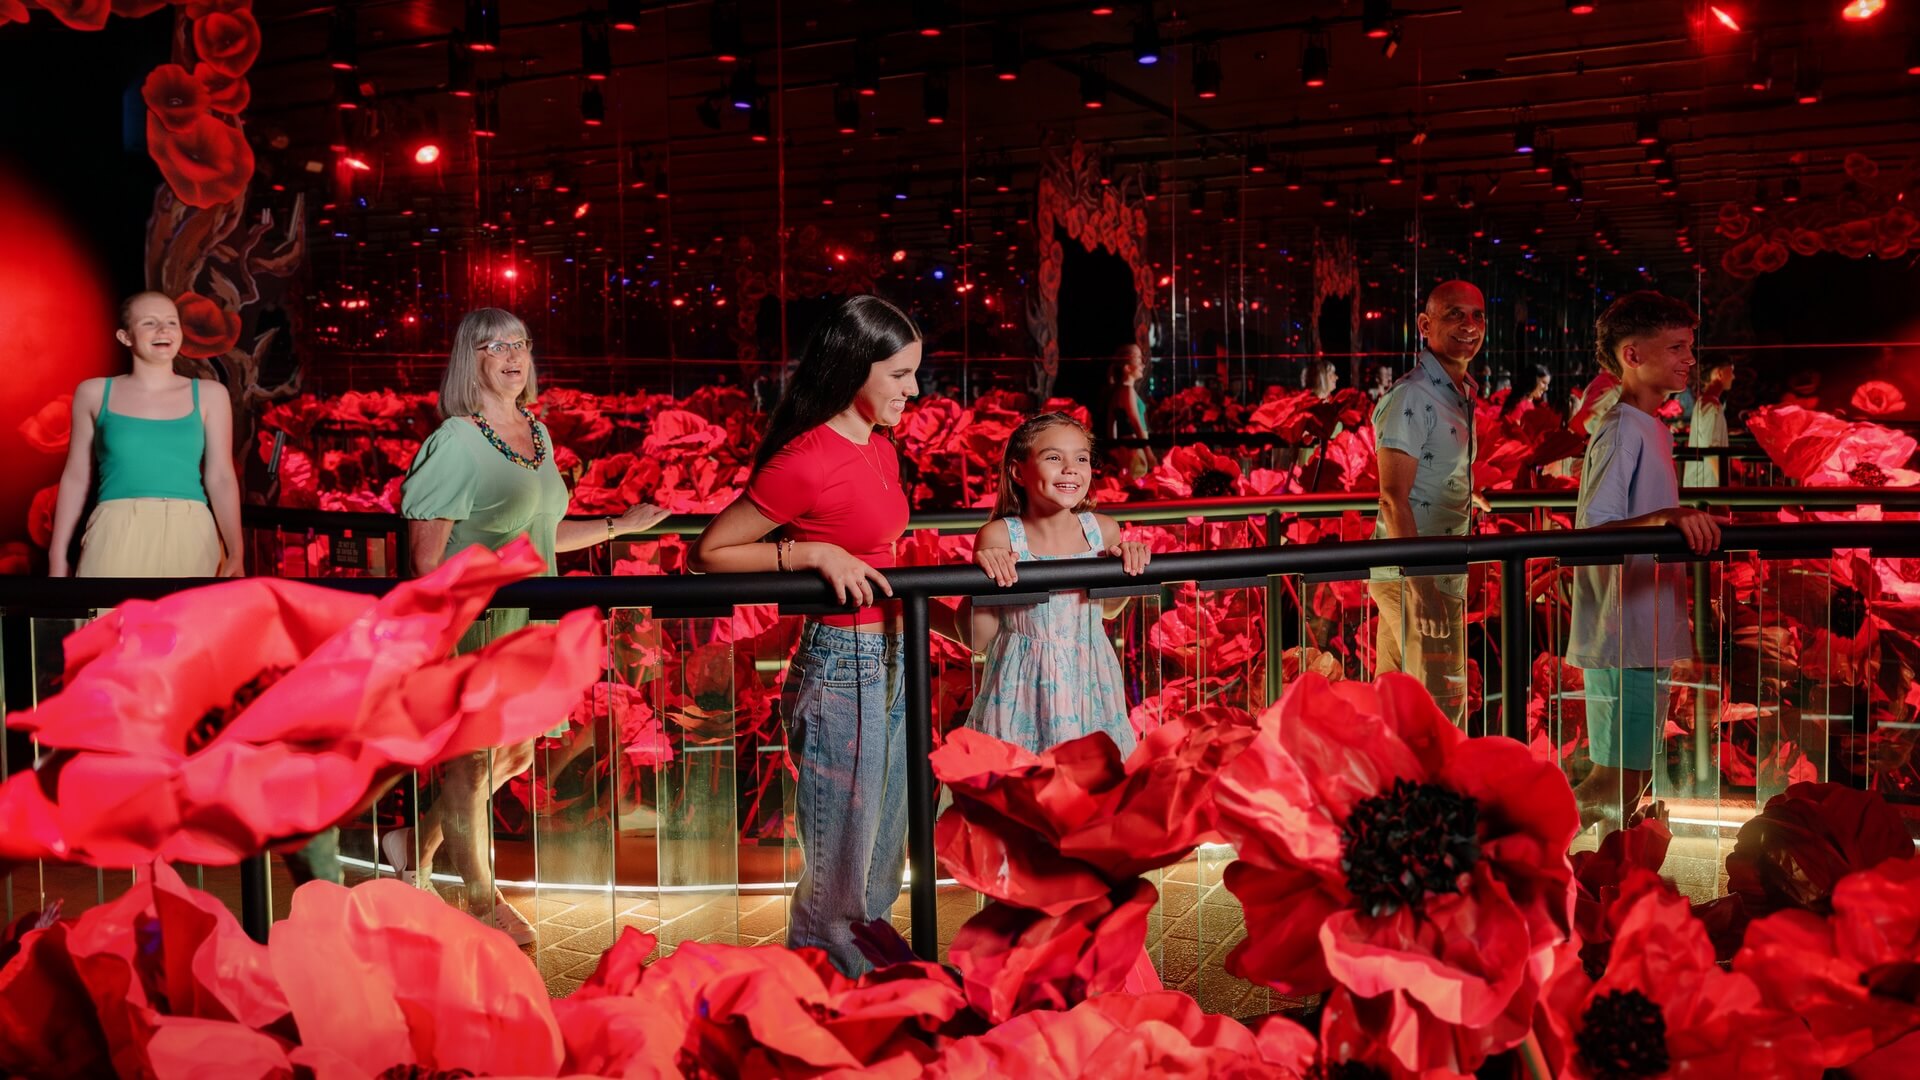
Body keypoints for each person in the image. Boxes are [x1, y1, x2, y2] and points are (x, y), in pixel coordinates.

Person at [385, 307, 667, 945]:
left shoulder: (533, 432)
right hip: (475, 621)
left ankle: (410, 843)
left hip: (524, 622)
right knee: (472, 767)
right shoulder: (455, 441)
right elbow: (426, 562)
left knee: (501, 761)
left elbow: (542, 534)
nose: (512, 355)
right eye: (494, 345)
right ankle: (482, 904)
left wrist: (621, 524)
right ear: (470, 358)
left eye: (521, 343)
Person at [689, 294, 921, 976]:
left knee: (881, 841)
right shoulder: (807, 457)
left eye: (914, 374)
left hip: (890, 650)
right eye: (900, 374)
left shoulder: (880, 447)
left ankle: (866, 970)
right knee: (842, 846)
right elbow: (712, 551)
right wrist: (812, 554)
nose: (913, 389)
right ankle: (819, 978)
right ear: (855, 368)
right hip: (842, 657)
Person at [1566, 292, 1722, 833]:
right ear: (1632, 356)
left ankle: (1592, 877)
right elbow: (1594, 530)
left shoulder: (1650, 427)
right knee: (1615, 784)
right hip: (1621, 638)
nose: (1689, 358)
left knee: (1625, 782)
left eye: (1690, 347)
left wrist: (1668, 517)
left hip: (1638, 636)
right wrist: (1666, 517)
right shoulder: (1622, 428)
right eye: (1676, 346)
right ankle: (1524, 848)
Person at [967, 413, 1151, 754]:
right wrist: (983, 579)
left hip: (1090, 682)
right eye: (1054, 457)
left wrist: (1128, 565)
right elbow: (978, 636)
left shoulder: (1104, 530)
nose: (1071, 468)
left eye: (1081, 458)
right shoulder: (999, 535)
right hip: (1019, 687)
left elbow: (1107, 611)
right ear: (1018, 471)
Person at [48, 292, 243, 579]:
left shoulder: (211, 395)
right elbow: (77, 476)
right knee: (107, 622)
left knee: (188, 625)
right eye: (150, 323)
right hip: (115, 530)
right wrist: (57, 554)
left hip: (190, 531)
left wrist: (237, 552)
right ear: (125, 337)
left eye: (171, 322)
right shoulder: (93, 392)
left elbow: (221, 477)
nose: (163, 330)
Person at [1369, 280, 1484, 725]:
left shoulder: (1455, 393)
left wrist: (1465, 489)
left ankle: (1392, 791)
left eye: (1477, 315)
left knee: (1399, 706)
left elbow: (1421, 477)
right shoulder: (1415, 395)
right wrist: (1421, 587)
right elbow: (1392, 497)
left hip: (1426, 572)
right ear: (1425, 325)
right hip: (1416, 577)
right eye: (1455, 314)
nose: (1470, 325)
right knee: (1439, 711)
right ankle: (1432, 793)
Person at [1106, 344, 1156, 479]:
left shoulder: (1118, 391)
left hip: (1126, 450)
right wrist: (1148, 452)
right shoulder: (1127, 391)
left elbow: (1111, 424)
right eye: (1139, 360)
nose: (1143, 365)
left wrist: (1114, 449)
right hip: (1135, 450)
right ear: (1127, 368)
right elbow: (1136, 422)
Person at [1683, 357, 1735, 488]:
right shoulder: (1710, 405)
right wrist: (1724, 486)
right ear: (1719, 373)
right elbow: (1712, 449)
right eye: (1731, 371)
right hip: (1707, 485)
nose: (1733, 377)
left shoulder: (1707, 402)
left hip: (1705, 484)